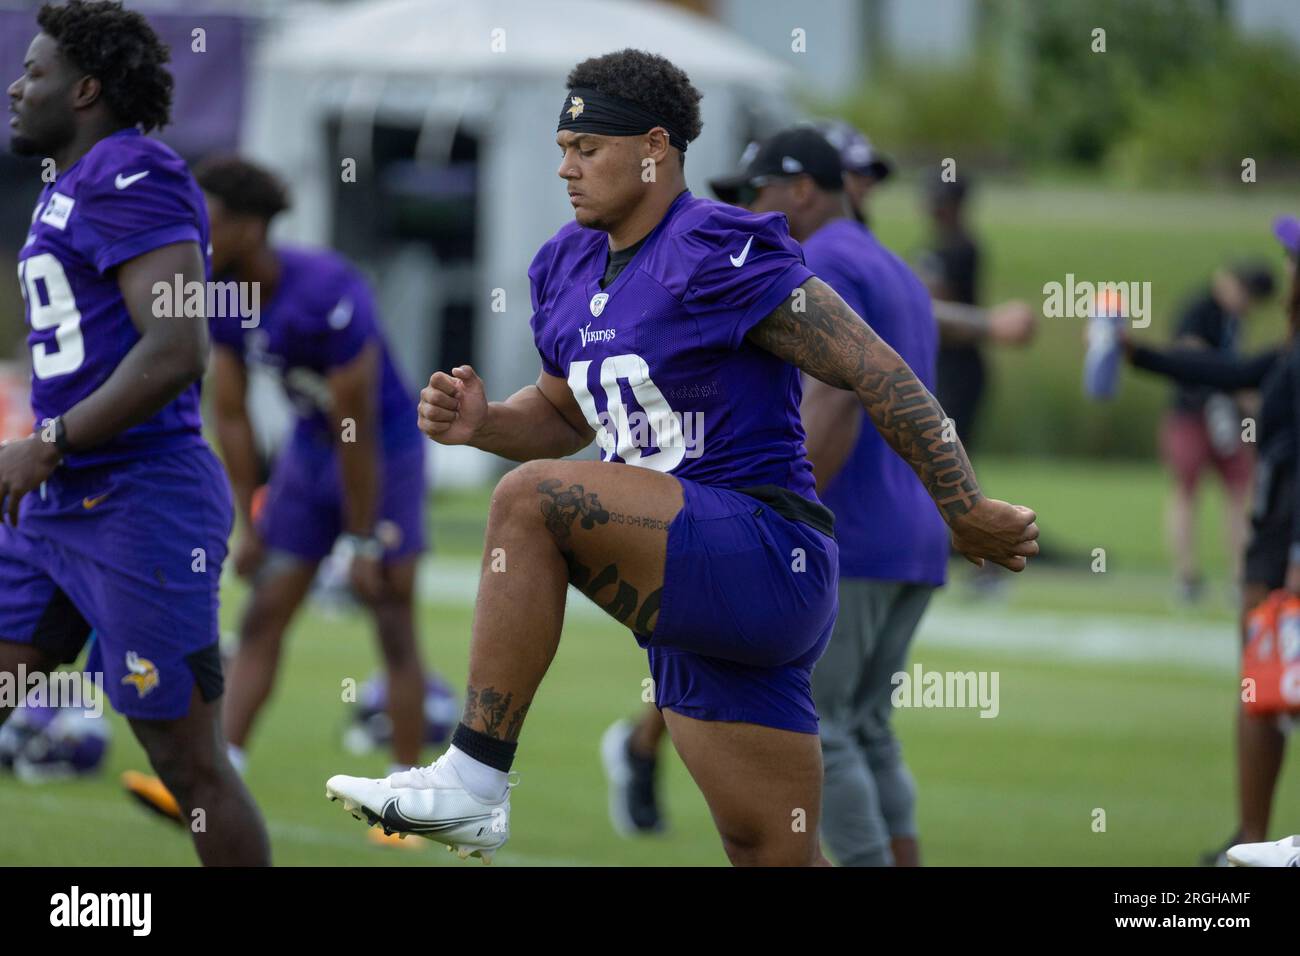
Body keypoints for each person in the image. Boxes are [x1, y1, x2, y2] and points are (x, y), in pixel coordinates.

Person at [324, 48, 1038, 866]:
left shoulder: (718, 247)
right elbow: (563, 414)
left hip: (765, 551)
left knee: (528, 502)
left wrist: (966, 507)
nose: (566, 168)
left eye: (586, 150)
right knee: (771, 848)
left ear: (654, 148)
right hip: (687, 584)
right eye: (562, 148)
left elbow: (873, 368)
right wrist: (484, 423)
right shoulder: (564, 263)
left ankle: (476, 781)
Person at [0, 0, 268, 865]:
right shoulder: (66, 190)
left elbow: (179, 346)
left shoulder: (136, 171)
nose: (15, 86)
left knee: (189, 768)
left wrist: (48, 440)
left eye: (34, 72)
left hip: (138, 502)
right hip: (52, 507)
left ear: (84, 90)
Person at [121, 156, 434, 847]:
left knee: (390, 615)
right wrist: (249, 513)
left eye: (213, 216)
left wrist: (357, 544)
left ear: (252, 224)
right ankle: (216, 778)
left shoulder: (327, 287)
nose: (198, 230)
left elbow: (357, 425)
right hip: (310, 453)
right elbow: (229, 412)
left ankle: (405, 800)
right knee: (263, 612)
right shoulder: (220, 297)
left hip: (382, 453)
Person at [734, 127, 947, 865]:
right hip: (918, 532)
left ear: (800, 190)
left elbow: (837, 399)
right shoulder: (893, 265)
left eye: (758, 192)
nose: (751, 210)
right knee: (871, 727)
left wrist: (783, 514)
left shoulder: (819, 261)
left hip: (854, 529)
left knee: (826, 727)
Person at [1123, 218, 1296, 864]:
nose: (1285, 283)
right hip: (1274, 540)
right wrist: (1138, 354)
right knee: (1264, 688)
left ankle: (1256, 839)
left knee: (1270, 687)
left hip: (1288, 546)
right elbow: (1225, 371)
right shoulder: (1286, 352)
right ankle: (1251, 839)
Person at [1158, 263, 1275, 601]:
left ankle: (1239, 574)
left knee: (1240, 492)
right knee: (1186, 490)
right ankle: (1186, 574)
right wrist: (1237, 387)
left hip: (1227, 418)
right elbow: (1191, 355)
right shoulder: (1201, 310)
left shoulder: (1235, 320)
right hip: (1192, 415)